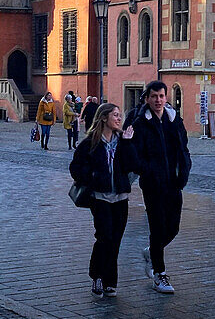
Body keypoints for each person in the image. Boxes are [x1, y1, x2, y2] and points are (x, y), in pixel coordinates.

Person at [69, 103, 139, 296]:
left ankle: (110, 281)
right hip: (100, 198)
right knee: (104, 237)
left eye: (119, 115)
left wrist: (128, 142)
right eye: (115, 115)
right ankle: (97, 276)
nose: (119, 119)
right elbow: (76, 167)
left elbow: (134, 165)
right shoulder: (90, 142)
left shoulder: (123, 140)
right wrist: (92, 178)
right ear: (104, 118)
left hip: (121, 197)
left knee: (115, 240)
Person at [131, 80, 192, 295]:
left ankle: (151, 252)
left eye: (161, 96)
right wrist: (147, 171)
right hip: (152, 184)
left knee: (173, 228)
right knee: (157, 228)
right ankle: (160, 274)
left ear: (166, 98)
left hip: (174, 182)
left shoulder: (174, 120)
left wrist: (184, 172)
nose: (158, 100)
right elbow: (134, 154)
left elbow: (184, 148)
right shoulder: (140, 123)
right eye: (154, 96)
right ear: (147, 98)